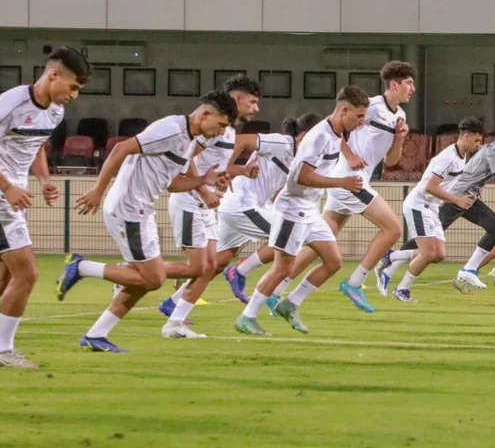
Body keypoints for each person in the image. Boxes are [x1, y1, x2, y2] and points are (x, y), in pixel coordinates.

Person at [55, 91, 238, 351]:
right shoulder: (171, 129)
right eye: (221, 125)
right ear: (205, 114)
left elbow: (173, 183)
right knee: (152, 279)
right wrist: (98, 190)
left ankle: (97, 334)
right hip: (129, 209)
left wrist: (203, 181)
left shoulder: (187, 141)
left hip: (142, 211)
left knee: (142, 281)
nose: (220, 133)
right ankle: (81, 267)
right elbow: (121, 148)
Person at [0, 47, 90, 368]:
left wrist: (44, 180)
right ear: (54, 75)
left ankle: (1, 349)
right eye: (73, 87)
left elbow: (33, 145)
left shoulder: (54, 112)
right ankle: (0, 351)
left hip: (9, 198)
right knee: (27, 273)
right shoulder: (13, 101)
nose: (74, 96)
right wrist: (7, 187)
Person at [278, 61, 413, 314]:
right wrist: (350, 155)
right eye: (408, 83)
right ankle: (355, 283)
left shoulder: (400, 117)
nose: (412, 88)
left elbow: (391, 161)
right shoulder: (371, 106)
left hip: (353, 181)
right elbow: (336, 125)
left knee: (322, 240)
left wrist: (398, 138)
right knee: (393, 228)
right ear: (394, 84)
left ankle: (277, 289)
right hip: (349, 180)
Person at [166, 113, 321, 330]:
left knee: (215, 263)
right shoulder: (282, 143)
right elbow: (243, 141)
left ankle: (172, 303)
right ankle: (241, 272)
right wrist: (227, 170)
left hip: (249, 205)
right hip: (242, 205)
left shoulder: (304, 159)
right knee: (294, 234)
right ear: (303, 135)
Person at [234, 86, 369, 336]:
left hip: (309, 209)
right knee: (282, 269)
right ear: (344, 110)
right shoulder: (319, 136)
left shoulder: (337, 135)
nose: (362, 122)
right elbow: (302, 176)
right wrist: (342, 183)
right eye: (359, 116)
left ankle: (290, 303)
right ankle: (247, 316)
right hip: (292, 209)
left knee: (333, 262)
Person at [157, 75, 262, 333]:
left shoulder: (227, 130)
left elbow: (212, 166)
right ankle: (132, 271)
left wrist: (232, 175)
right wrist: (204, 190)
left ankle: (175, 318)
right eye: (252, 102)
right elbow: (188, 155)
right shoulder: (214, 128)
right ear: (237, 99)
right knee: (198, 266)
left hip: (204, 204)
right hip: (190, 200)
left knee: (211, 265)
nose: (256, 108)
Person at [377, 121, 495, 294]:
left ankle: (468, 270)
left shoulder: (488, 149)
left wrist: (476, 184)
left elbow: (476, 166)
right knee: (427, 244)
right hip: (455, 198)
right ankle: (390, 264)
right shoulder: (494, 151)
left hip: (467, 198)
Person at [391, 117, 483, 302]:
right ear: (465, 136)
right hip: (419, 204)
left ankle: (391, 257)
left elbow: (449, 183)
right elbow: (430, 187)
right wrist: (456, 200)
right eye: (476, 140)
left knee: (439, 254)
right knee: (428, 253)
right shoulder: (447, 158)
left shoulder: (462, 156)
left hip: (431, 207)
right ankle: (401, 289)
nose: (478, 145)